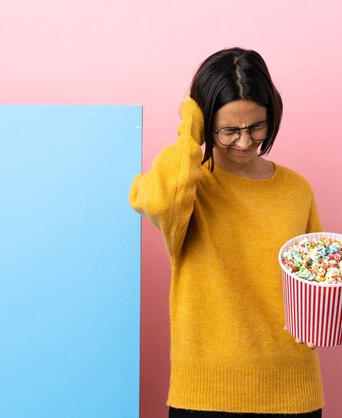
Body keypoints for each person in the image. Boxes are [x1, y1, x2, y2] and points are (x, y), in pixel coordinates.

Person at [129, 47, 330, 417]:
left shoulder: (296, 190)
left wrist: (333, 316)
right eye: (228, 130)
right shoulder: (188, 189)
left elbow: (316, 277)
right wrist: (190, 128)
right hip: (205, 395)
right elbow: (153, 201)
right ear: (206, 123)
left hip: (292, 390)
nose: (243, 141)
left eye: (256, 126)